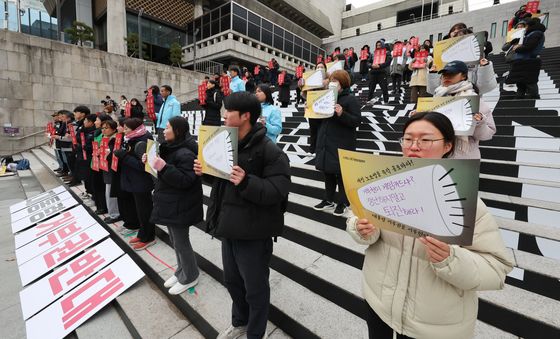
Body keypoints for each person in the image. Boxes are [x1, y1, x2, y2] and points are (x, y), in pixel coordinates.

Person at [347, 111, 513, 339]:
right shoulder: (383, 185)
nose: (414, 146)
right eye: (407, 138)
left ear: (447, 145)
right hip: (378, 302)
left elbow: (496, 268)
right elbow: (357, 221)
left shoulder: (464, 201)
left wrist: (450, 259)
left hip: (433, 325)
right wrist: (360, 228)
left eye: (425, 140)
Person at [194, 91, 290, 339]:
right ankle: (240, 322)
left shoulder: (270, 151)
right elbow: (219, 180)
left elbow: (277, 191)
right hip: (228, 226)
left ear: (246, 116)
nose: (224, 116)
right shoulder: (226, 142)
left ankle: (255, 333)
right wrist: (204, 170)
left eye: (229, 113)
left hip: (254, 234)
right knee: (233, 282)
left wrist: (247, 182)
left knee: (255, 289)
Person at [143, 116, 203, 295]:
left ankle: (191, 275)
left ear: (177, 131)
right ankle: (181, 271)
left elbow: (185, 180)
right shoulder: (170, 148)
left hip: (181, 205)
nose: (164, 130)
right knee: (175, 241)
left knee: (181, 242)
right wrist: (151, 161)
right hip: (170, 202)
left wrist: (163, 167)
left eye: (168, 127)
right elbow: (162, 173)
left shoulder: (186, 153)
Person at [313, 70, 361, 216]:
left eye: (336, 80)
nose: (332, 83)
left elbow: (357, 121)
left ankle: (343, 202)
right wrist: (311, 110)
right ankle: (328, 199)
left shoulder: (350, 100)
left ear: (343, 83)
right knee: (328, 172)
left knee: (341, 175)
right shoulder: (326, 98)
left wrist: (342, 113)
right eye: (331, 80)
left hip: (342, 143)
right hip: (326, 141)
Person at [433, 61, 495, 159]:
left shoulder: (474, 100)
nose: (446, 76)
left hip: (463, 157)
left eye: (451, 74)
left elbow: (487, 135)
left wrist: (479, 122)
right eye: (444, 74)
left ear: (463, 76)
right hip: (436, 153)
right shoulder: (435, 97)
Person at [113, 118, 156, 250]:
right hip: (133, 181)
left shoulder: (142, 142)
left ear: (136, 129)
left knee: (145, 211)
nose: (124, 131)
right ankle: (142, 233)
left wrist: (124, 156)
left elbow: (142, 166)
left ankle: (149, 237)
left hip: (142, 182)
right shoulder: (131, 139)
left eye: (126, 128)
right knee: (140, 211)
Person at [429, 27, 497, 96]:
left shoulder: (478, 61)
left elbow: (485, 88)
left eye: (465, 39)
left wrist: (484, 67)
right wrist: (433, 73)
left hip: (470, 101)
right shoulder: (445, 61)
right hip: (444, 102)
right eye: (458, 39)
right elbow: (434, 90)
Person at [507, 17, 546, 99]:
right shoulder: (531, 34)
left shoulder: (536, 33)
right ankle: (519, 97)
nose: (525, 28)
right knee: (520, 82)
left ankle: (534, 98)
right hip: (523, 61)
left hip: (529, 60)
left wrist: (517, 48)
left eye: (526, 26)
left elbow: (529, 47)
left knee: (530, 82)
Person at [100, 119, 121, 224]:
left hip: (113, 170)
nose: (103, 130)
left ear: (114, 129)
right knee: (108, 192)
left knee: (111, 193)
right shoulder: (105, 138)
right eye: (102, 128)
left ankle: (115, 214)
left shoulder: (115, 140)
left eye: (106, 128)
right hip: (106, 169)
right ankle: (112, 213)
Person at [90, 114, 111, 215]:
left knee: (100, 187)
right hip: (94, 162)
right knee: (96, 186)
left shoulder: (107, 136)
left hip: (101, 164)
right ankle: (99, 205)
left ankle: (103, 207)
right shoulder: (97, 133)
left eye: (97, 120)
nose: (95, 122)